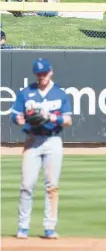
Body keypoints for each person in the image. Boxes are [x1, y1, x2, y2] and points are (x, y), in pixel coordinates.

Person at [11, 58, 73, 240]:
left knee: (52, 186)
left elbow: (68, 120)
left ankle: (49, 227)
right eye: (39, 73)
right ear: (35, 74)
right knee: (26, 185)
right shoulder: (26, 93)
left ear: (51, 72)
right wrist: (24, 120)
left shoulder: (59, 94)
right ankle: (23, 227)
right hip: (32, 140)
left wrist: (51, 118)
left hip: (53, 140)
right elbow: (16, 117)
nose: (42, 76)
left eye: (44, 72)